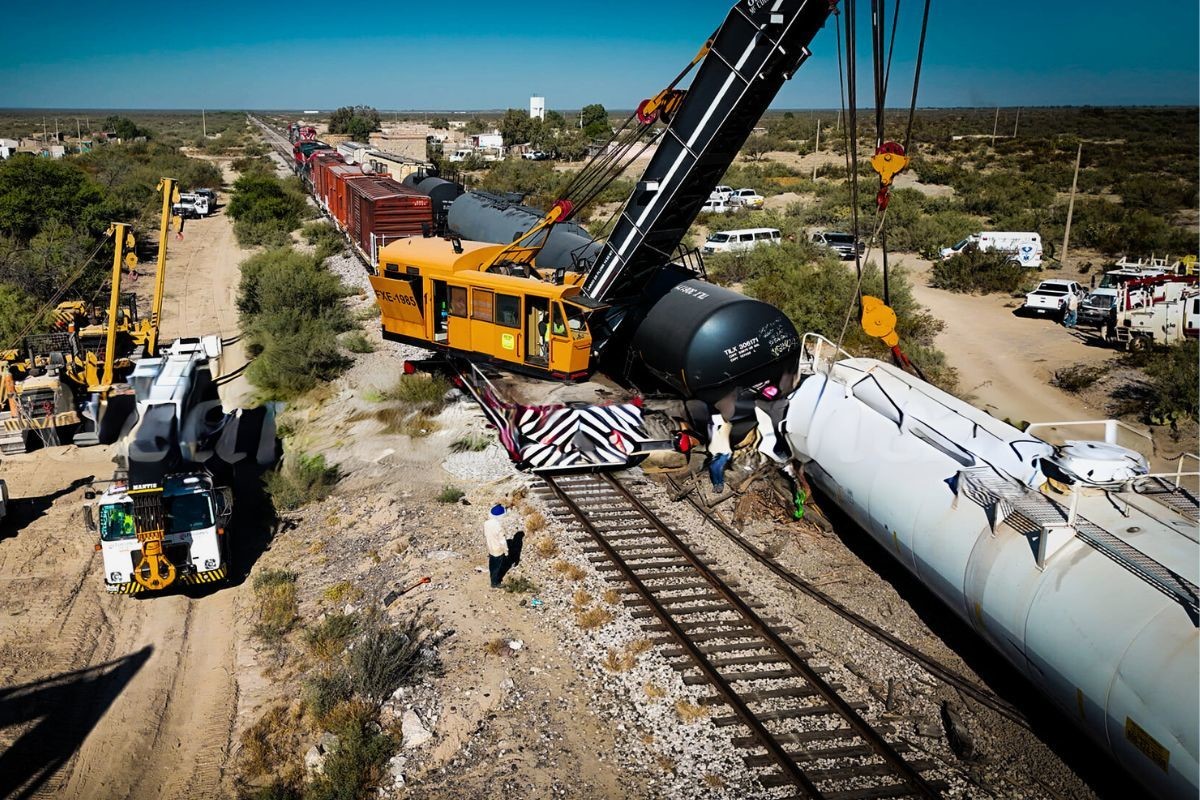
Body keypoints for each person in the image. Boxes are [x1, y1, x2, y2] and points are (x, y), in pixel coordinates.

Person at [484, 504, 524, 588]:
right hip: (498, 550)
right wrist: (506, 551)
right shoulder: (498, 527)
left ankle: (492, 578)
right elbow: (502, 542)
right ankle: (495, 583)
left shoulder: (486, 523)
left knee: (492, 565)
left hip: (490, 547)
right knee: (497, 567)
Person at [707, 413, 733, 494]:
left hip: (724, 451)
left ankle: (720, 484)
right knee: (712, 467)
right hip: (716, 451)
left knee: (718, 467)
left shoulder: (727, 426)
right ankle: (716, 484)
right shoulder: (711, 427)